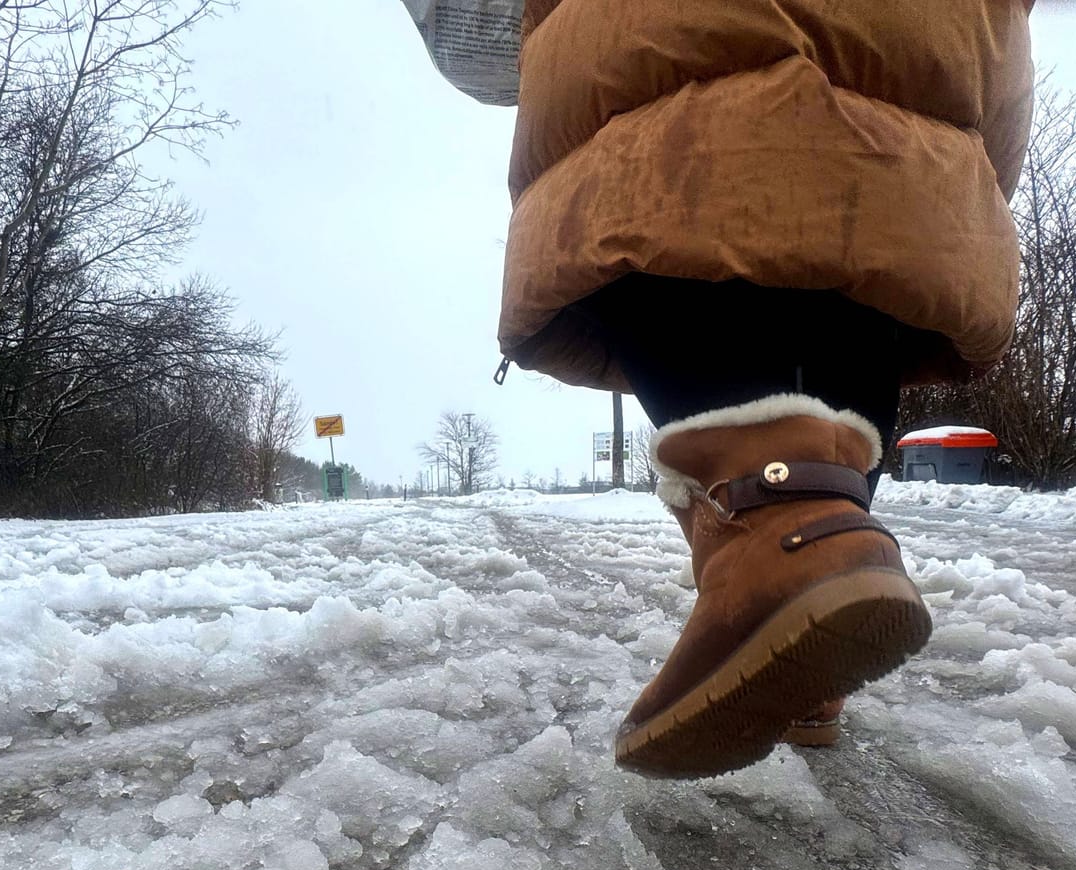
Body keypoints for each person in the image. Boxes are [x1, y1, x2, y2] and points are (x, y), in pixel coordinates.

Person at [413, 1, 1035, 777]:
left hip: (677, 30)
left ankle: (781, 546)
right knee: (881, 241)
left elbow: (468, 28)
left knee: (673, 194)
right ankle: (807, 631)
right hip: (945, 55)